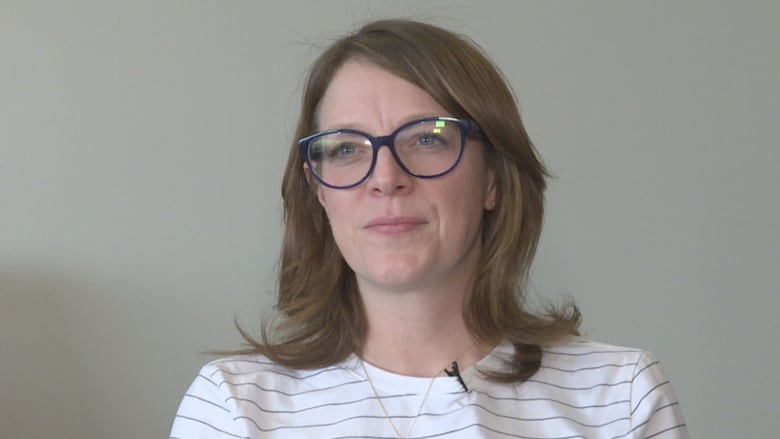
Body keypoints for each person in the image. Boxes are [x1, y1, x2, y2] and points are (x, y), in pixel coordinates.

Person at [170, 19, 688, 438]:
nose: (386, 179)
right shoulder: (234, 405)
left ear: (493, 179)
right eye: (347, 149)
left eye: (428, 138)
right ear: (318, 190)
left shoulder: (618, 396)